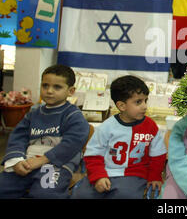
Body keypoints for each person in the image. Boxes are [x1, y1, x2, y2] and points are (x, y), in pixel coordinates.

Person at [0, 64, 90, 198]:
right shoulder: (33, 113)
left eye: (57, 87)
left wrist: (43, 159)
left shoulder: (73, 115)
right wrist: (17, 160)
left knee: (46, 194)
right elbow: (18, 137)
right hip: (27, 162)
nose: (49, 91)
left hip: (56, 164)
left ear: (70, 91)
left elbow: (72, 144)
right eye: (45, 86)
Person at [71, 75, 167, 199]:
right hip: (104, 171)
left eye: (145, 100)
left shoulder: (151, 126)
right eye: (138, 102)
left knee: (125, 195)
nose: (144, 106)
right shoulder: (107, 126)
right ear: (121, 106)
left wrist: (155, 176)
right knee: (82, 195)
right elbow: (93, 155)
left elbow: (158, 155)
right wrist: (99, 176)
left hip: (134, 175)